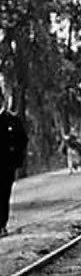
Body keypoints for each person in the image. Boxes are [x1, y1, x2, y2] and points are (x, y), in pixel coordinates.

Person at [0, 89, 28, 237]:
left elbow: (22, 140)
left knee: (3, 195)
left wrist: (16, 160)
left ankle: (1, 225)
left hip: (5, 165)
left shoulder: (12, 120)